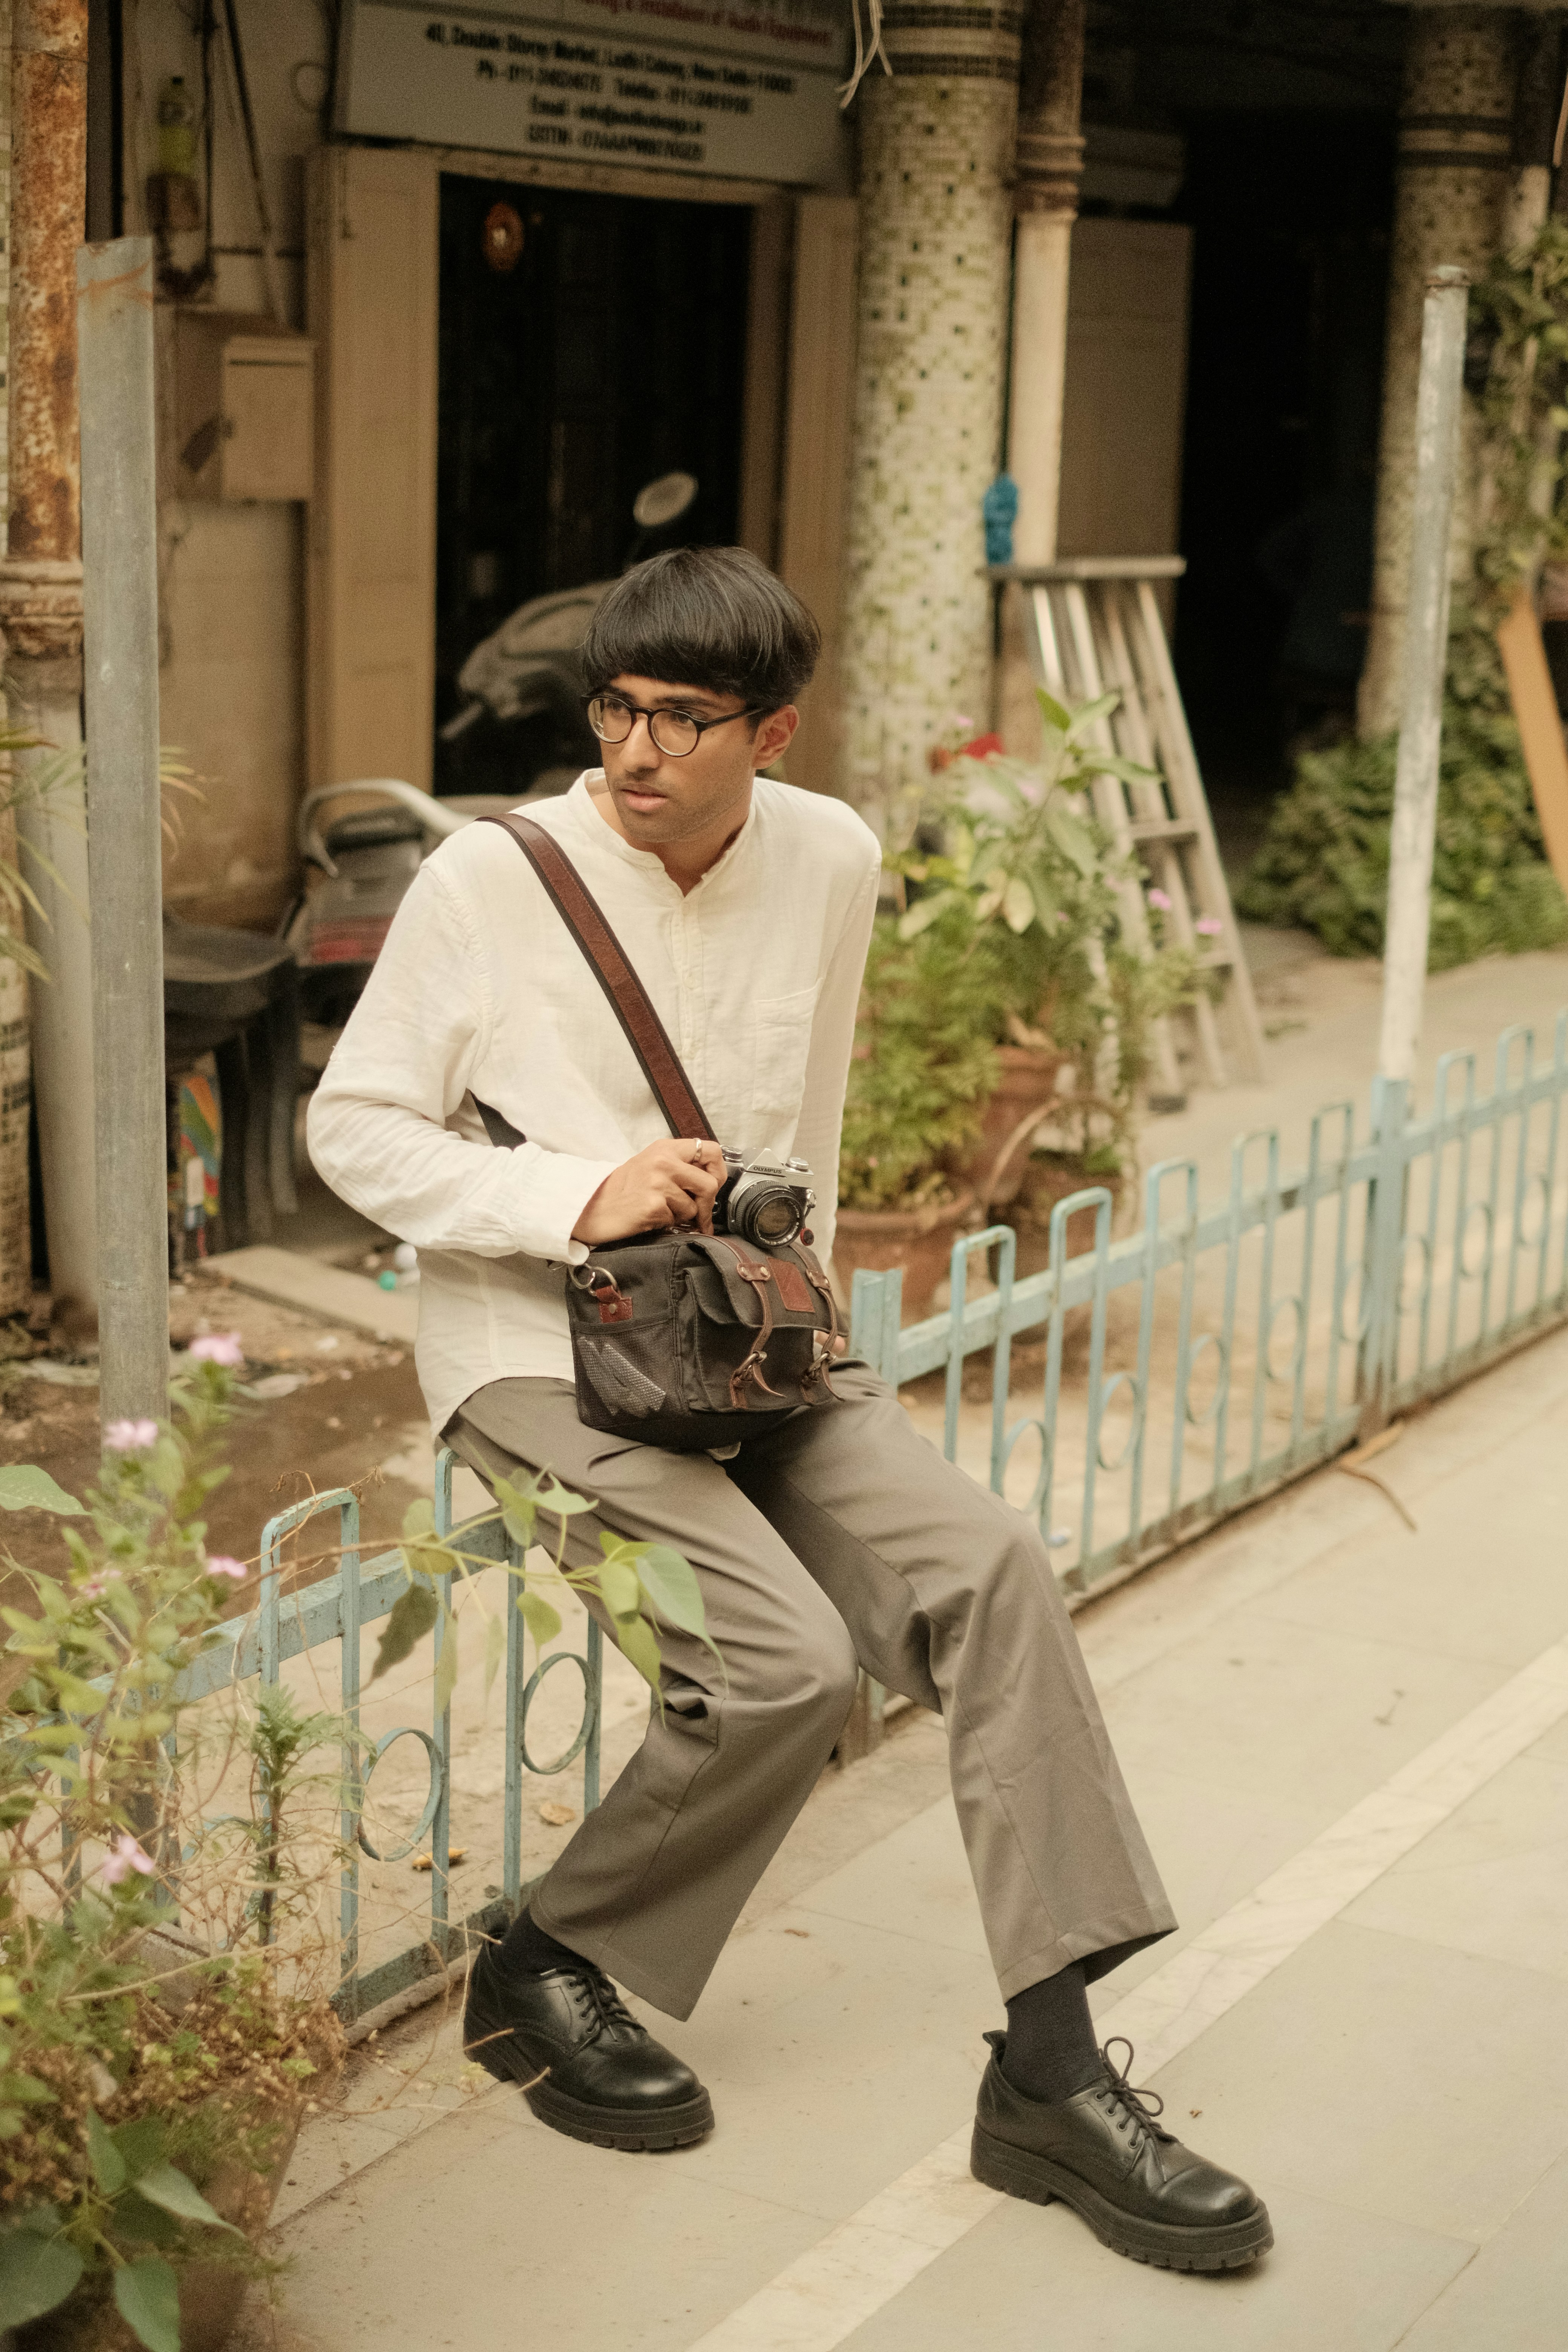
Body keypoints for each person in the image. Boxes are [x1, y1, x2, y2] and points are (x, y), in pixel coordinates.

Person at [308, 546, 1271, 2274]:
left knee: (987, 1571)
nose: (637, 751)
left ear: (774, 731)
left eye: (685, 718)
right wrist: (575, 1194)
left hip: (744, 1346)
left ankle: (1047, 2079)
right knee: (780, 1662)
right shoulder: (485, 881)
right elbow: (354, 1132)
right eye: (614, 707)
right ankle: (549, 1956)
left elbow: (801, 1112)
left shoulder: (828, 854)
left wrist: (802, 1319)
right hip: (532, 1352)